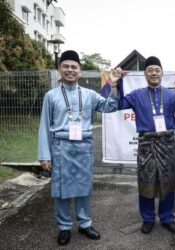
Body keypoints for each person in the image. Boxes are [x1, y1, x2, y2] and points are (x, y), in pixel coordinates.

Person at [38, 50, 121, 246]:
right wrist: (44, 155)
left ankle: (85, 224)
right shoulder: (51, 96)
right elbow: (44, 126)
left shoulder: (90, 95)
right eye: (65, 66)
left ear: (80, 71)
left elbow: (110, 107)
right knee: (61, 191)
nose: (70, 70)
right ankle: (65, 227)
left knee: (85, 189)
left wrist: (114, 86)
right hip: (60, 147)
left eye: (74, 67)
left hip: (84, 147)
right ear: (60, 70)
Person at [114, 56, 175, 234]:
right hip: (146, 143)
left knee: (168, 181)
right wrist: (117, 83)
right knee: (146, 181)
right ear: (145, 74)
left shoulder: (171, 94)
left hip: (167, 142)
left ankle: (167, 217)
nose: (154, 73)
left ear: (161, 73)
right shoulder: (136, 95)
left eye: (157, 70)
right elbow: (119, 104)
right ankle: (148, 218)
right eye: (150, 70)